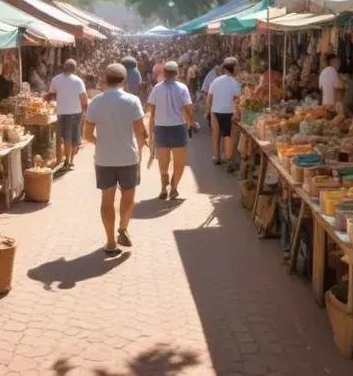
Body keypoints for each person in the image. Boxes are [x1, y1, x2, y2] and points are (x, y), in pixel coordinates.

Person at [84, 63, 147, 255]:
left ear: (105, 79)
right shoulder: (133, 101)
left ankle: (110, 242)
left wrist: (100, 144)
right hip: (128, 157)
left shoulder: (95, 102)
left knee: (107, 199)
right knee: (128, 196)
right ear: (123, 80)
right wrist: (141, 150)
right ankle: (123, 228)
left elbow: (86, 134)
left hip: (104, 159)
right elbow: (139, 132)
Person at [146, 61, 195, 200]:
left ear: (164, 73)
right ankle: (173, 187)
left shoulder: (156, 88)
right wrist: (192, 122)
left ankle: (163, 188)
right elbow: (188, 108)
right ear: (177, 73)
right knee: (179, 162)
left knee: (163, 161)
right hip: (178, 127)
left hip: (161, 128)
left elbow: (150, 109)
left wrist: (151, 130)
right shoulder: (182, 88)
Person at [48, 59, 89, 170]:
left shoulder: (56, 79)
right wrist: (85, 109)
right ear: (74, 69)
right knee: (74, 138)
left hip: (62, 113)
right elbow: (83, 97)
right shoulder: (78, 81)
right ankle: (70, 160)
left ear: (64, 67)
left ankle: (68, 160)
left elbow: (51, 95)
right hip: (76, 113)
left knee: (66, 138)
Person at [206, 57, 242, 168]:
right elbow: (237, 99)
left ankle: (216, 157)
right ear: (234, 68)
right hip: (229, 112)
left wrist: (208, 110)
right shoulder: (235, 83)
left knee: (216, 134)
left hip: (215, 111)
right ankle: (228, 158)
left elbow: (209, 97)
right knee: (228, 135)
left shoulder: (216, 81)